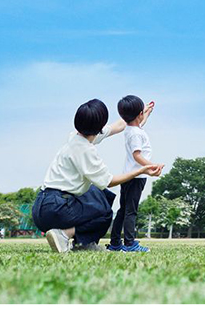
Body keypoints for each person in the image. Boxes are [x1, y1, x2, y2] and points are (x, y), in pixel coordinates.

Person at [31, 99, 161, 254]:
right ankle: (65, 234)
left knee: (100, 194)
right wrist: (140, 171)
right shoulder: (86, 150)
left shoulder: (75, 136)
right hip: (56, 209)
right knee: (104, 211)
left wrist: (141, 112)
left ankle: (82, 241)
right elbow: (110, 181)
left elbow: (118, 126)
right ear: (99, 127)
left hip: (41, 206)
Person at [108, 95, 157, 253]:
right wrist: (151, 166)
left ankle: (115, 243)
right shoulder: (136, 134)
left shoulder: (131, 128)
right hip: (136, 176)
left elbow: (141, 122)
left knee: (123, 210)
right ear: (139, 114)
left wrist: (147, 111)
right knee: (131, 211)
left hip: (128, 176)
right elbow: (137, 155)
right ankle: (129, 244)